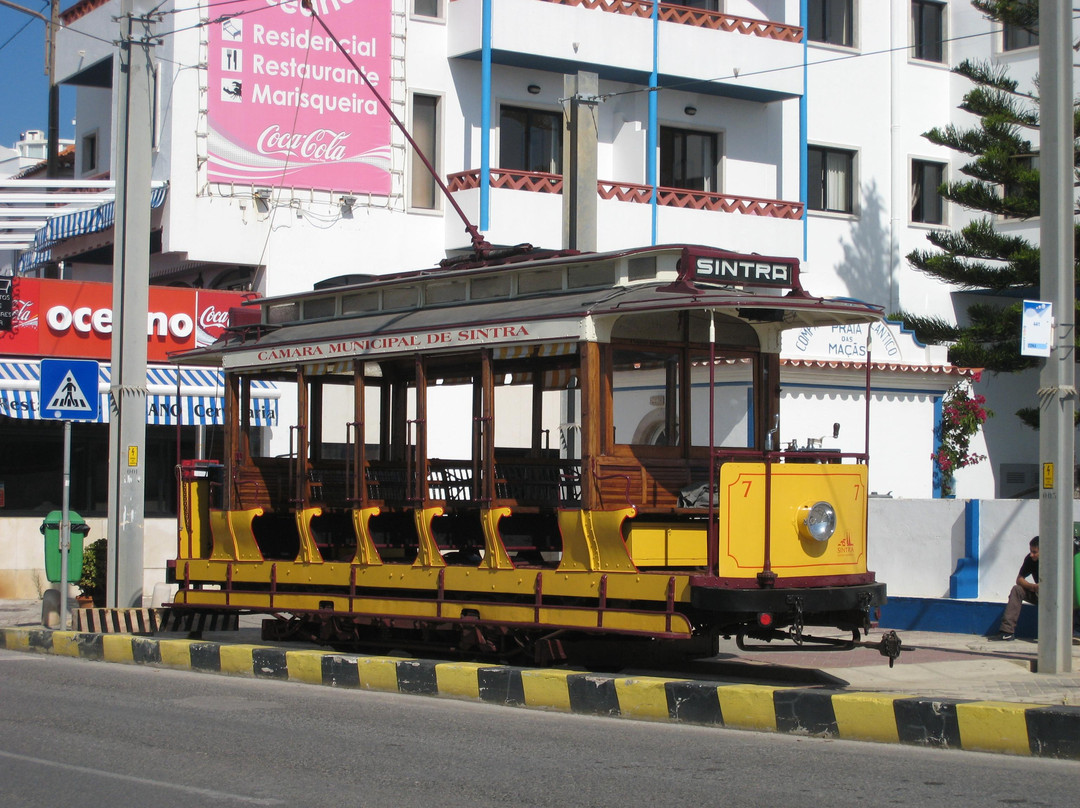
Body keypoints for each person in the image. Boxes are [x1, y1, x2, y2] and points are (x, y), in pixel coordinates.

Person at [993, 536, 1039, 641]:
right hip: (1039, 593)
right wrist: (1033, 587)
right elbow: (1019, 579)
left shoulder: (1054, 560)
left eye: (1034, 552)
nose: (1031, 554)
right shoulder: (1030, 559)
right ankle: (1007, 632)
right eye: (1030, 551)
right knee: (1017, 589)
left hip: (1056, 596)